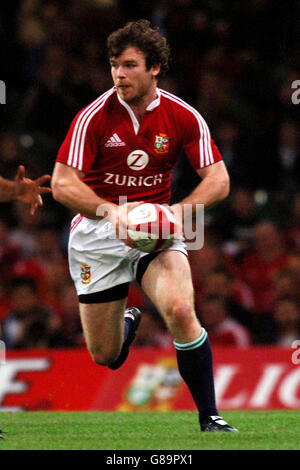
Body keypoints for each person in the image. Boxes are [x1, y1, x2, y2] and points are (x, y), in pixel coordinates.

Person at [51, 20, 237, 432]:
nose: (119, 74)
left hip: (155, 227)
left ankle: (211, 419)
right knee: (106, 356)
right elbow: (63, 184)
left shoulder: (182, 115)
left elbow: (219, 180)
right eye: (115, 65)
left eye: (130, 65)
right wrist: (112, 212)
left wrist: (178, 213)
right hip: (98, 235)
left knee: (181, 309)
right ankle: (129, 320)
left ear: (154, 68)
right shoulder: (93, 116)